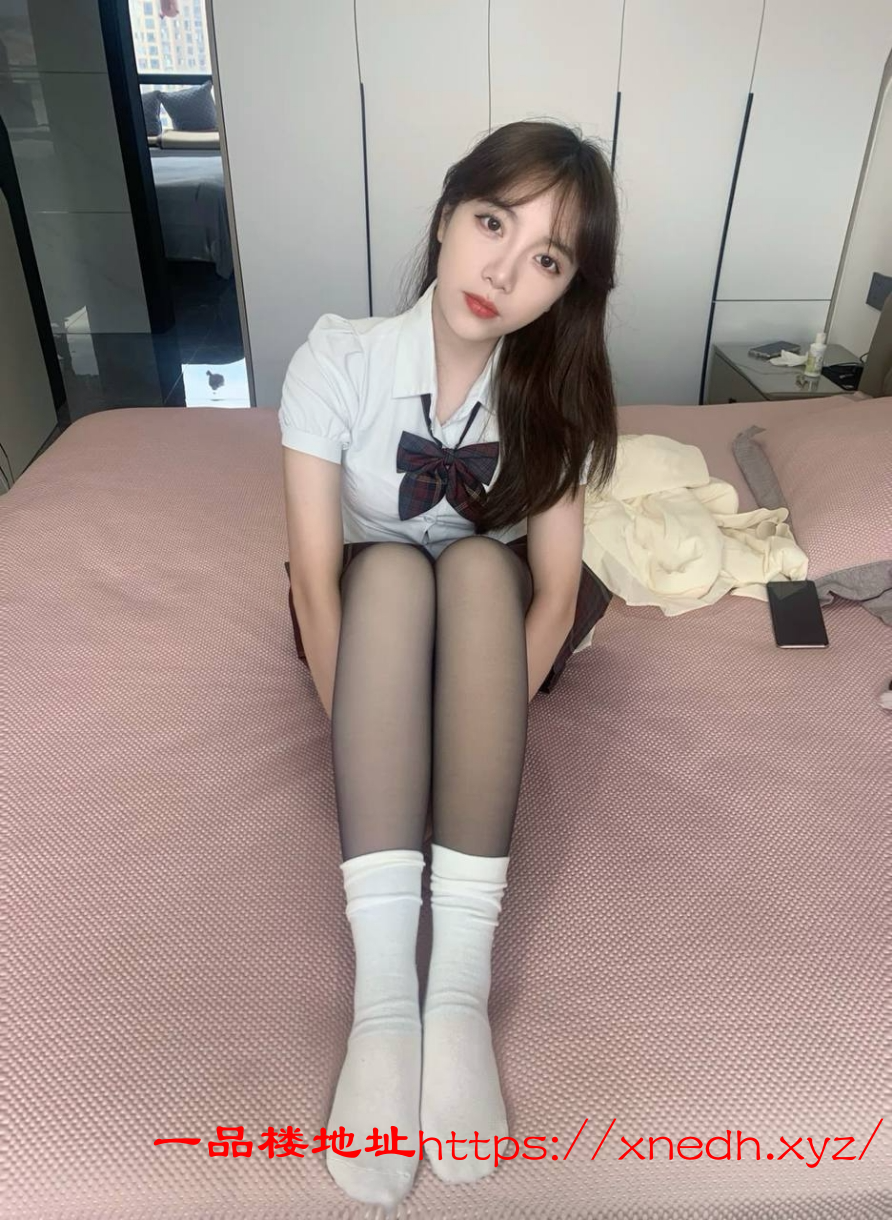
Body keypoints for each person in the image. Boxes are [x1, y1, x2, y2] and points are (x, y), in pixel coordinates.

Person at [278, 120, 618, 1206]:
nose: (503, 272)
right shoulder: (337, 359)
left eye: (546, 258)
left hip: (493, 637)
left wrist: (475, 731)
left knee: (474, 567)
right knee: (387, 571)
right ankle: (386, 1000)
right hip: (362, 627)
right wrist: (372, 741)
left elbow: (553, 593)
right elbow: (314, 584)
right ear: (443, 218)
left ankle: (457, 992)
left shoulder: (553, 395)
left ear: (566, 289)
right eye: (491, 222)